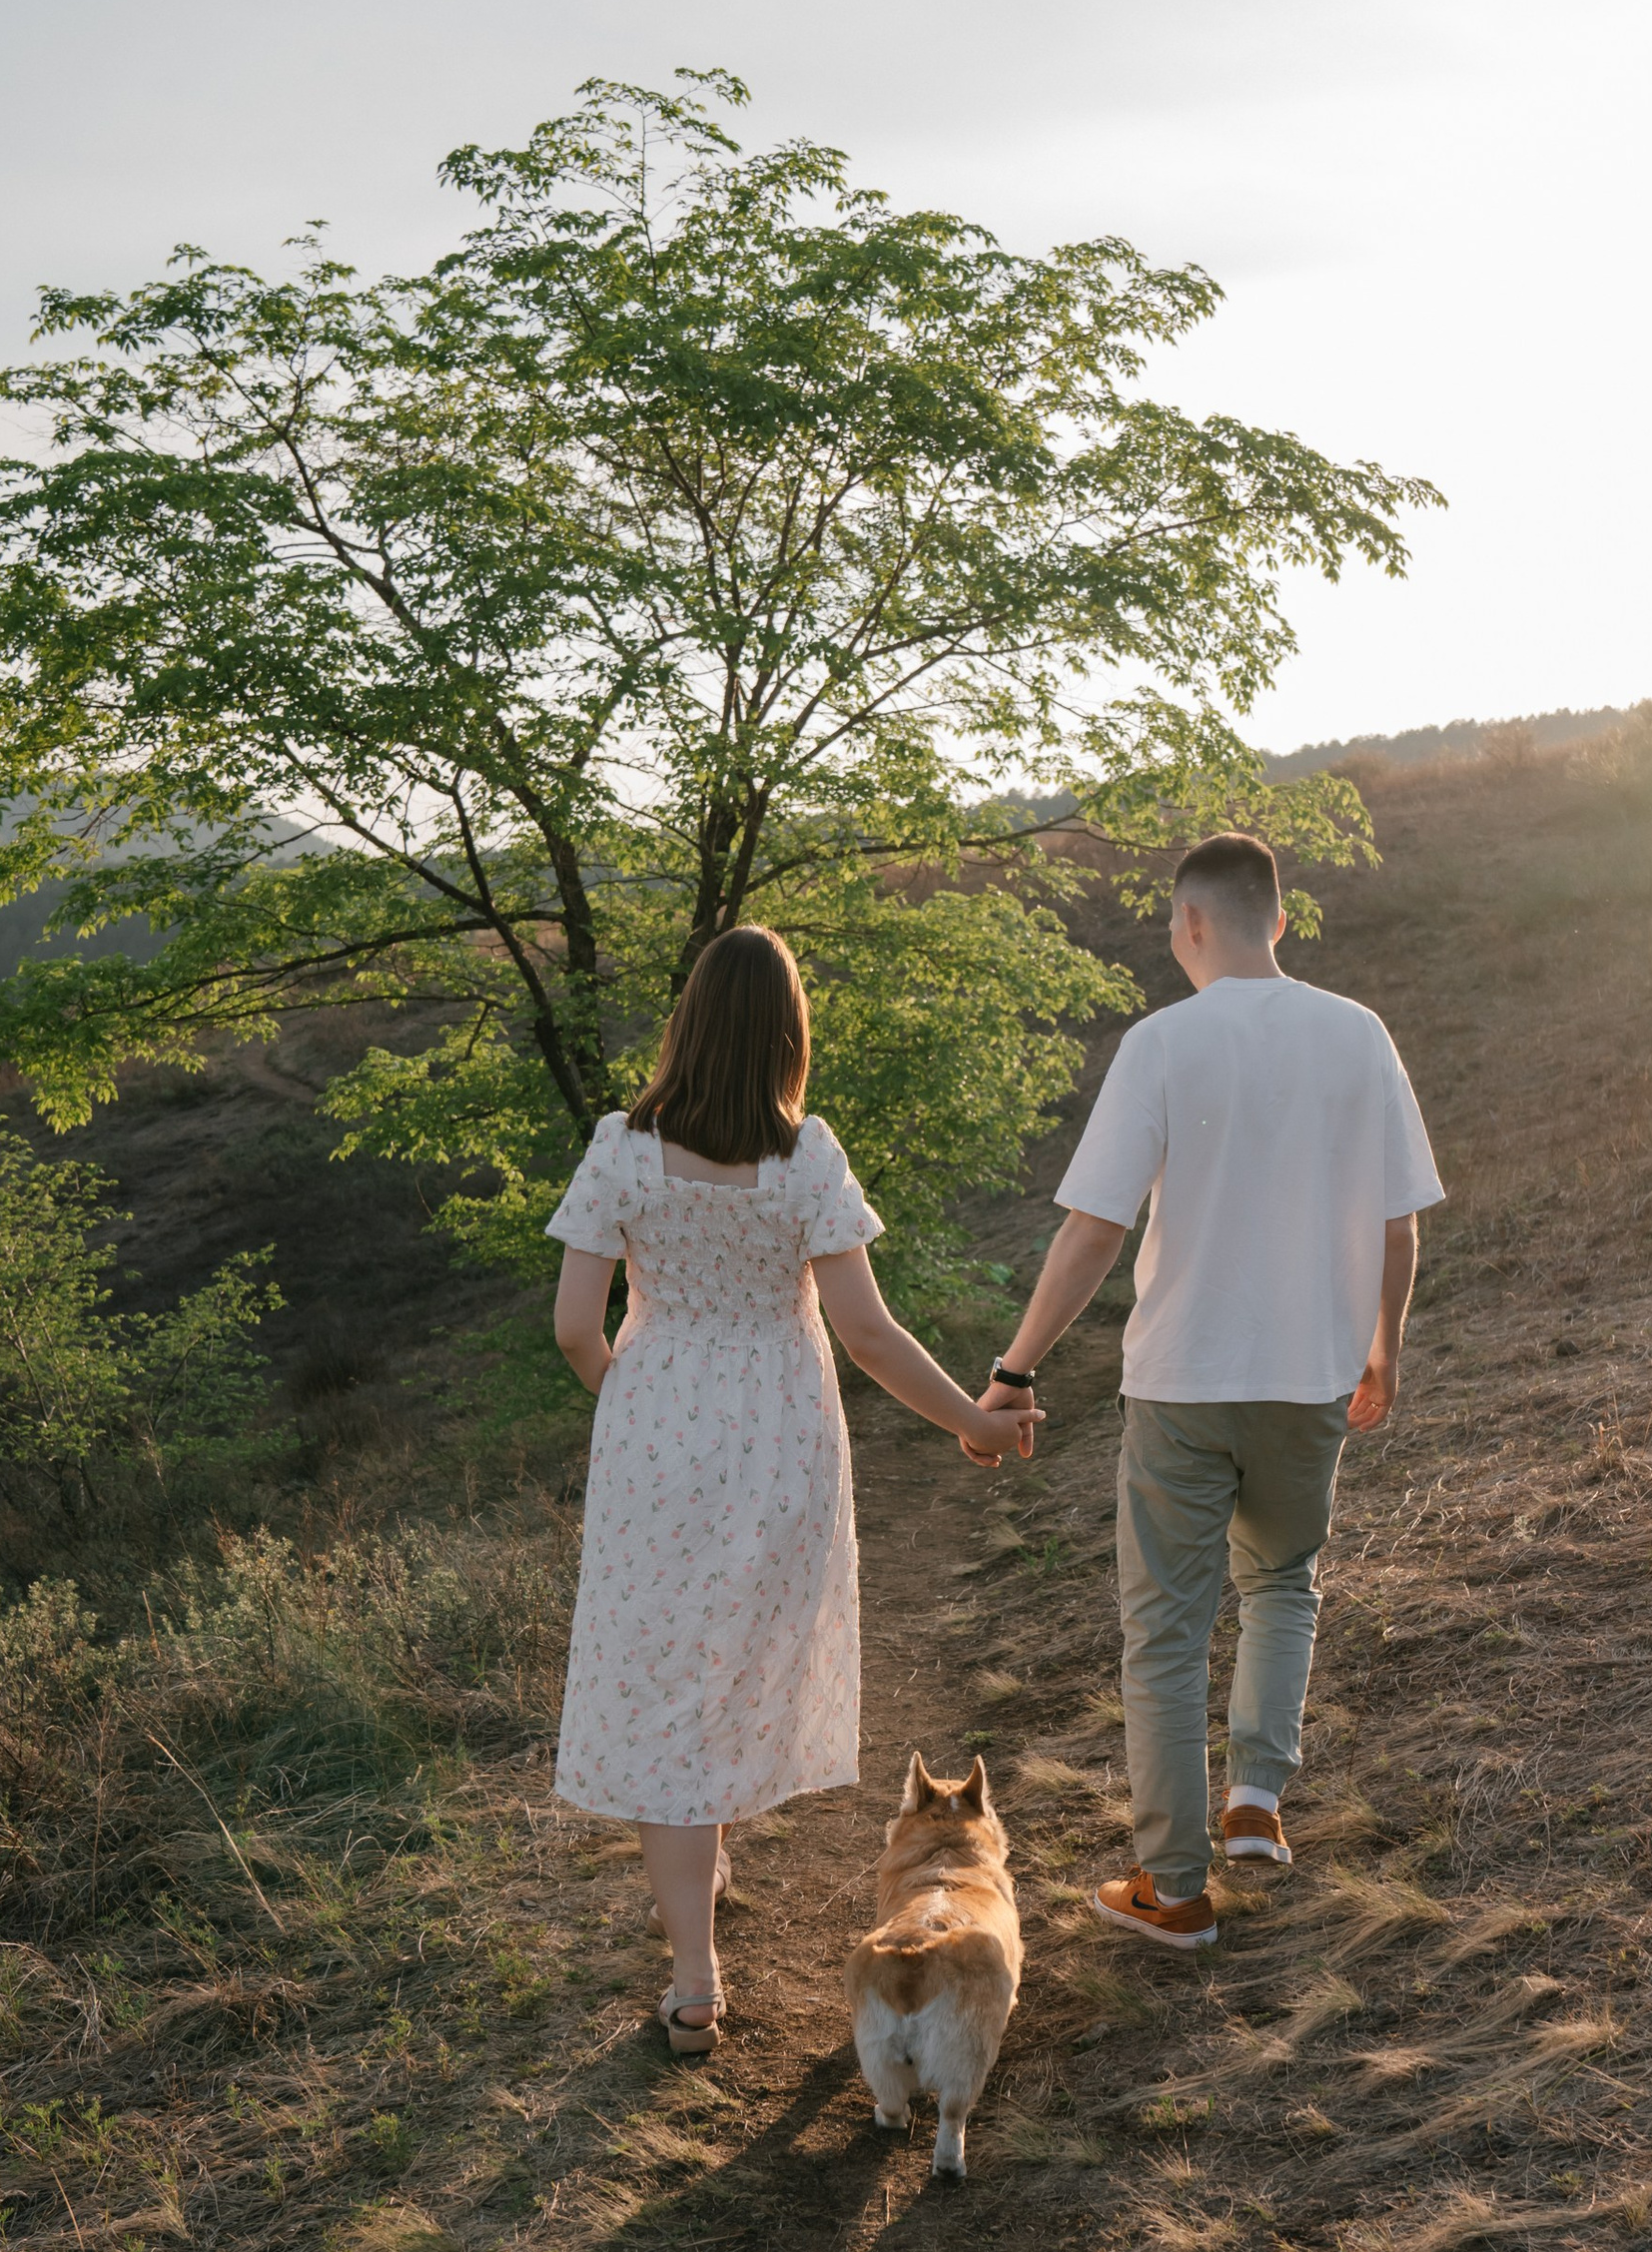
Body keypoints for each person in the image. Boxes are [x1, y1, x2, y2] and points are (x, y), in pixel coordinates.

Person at [547, 925, 1038, 2053]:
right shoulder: (806, 1155)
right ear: (786, 1035)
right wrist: (972, 1418)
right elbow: (865, 1333)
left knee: (669, 1685)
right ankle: (704, 1877)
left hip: (655, 1429)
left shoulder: (618, 1148)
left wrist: (634, 1407)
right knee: (733, 1664)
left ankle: (693, 1981)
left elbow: (577, 1327)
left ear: (684, 1027)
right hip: (778, 1434)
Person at [970, 832, 1442, 1949]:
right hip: (1309, 1378)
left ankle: (1173, 1889)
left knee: (1167, 1634)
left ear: (1188, 924)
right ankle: (1254, 1810)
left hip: (1183, 1382)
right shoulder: (1358, 1034)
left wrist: (1014, 1367)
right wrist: (1384, 1351)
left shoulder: (1162, 1044)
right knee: (1282, 1581)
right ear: (1277, 919)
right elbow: (1399, 1226)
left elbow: (1094, 1228)